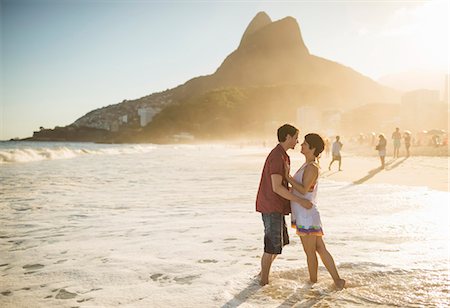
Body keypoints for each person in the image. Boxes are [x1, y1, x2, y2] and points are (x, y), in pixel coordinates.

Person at [256, 124, 313, 286]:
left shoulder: (283, 155)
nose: (297, 141)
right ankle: (263, 283)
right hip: (271, 205)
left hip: (276, 206)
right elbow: (276, 187)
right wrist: (301, 201)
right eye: (296, 137)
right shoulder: (277, 156)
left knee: (279, 243)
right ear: (288, 137)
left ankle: (261, 275)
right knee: (272, 245)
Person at [286, 133, 345, 290]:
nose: (302, 145)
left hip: (307, 215)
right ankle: (337, 281)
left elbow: (304, 190)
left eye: (305, 144)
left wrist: (287, 177)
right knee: (319, 248)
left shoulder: (312, 167)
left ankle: (312, 283)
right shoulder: (307, 165)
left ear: (312, 149)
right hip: (305, 214)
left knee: (310, 252)